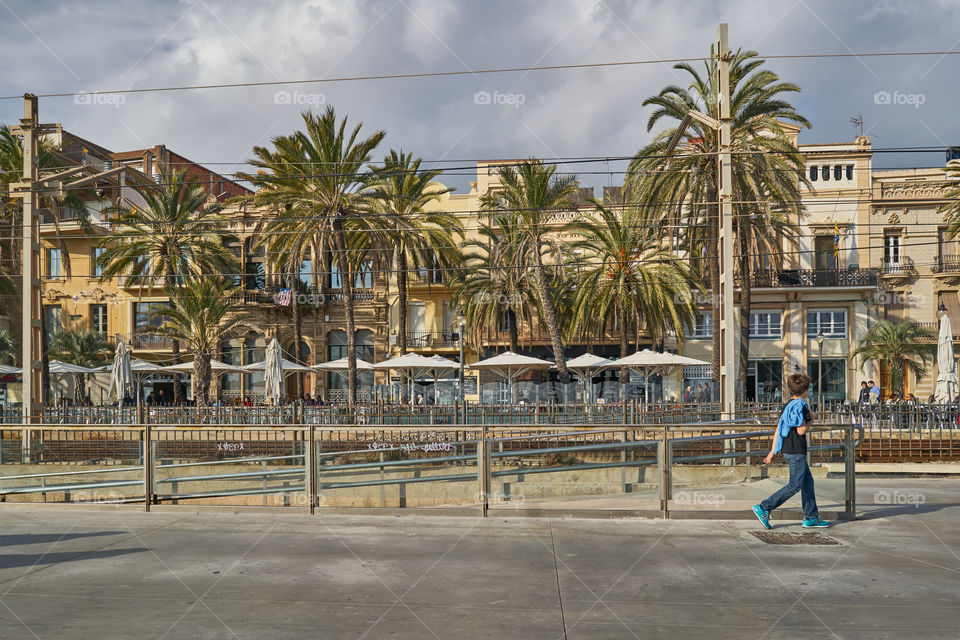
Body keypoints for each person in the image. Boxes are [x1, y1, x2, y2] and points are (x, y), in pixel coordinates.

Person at [752, 373, 829, 529]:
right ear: (806, 390)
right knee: (795, 484)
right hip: (797, 451)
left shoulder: (787, 405)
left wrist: (772, 451)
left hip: (787, 449)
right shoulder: (802, 406)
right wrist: (811, 419)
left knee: (808, 482)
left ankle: (811, 516)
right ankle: (764, 507)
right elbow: (801, 431)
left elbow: (778, 429)